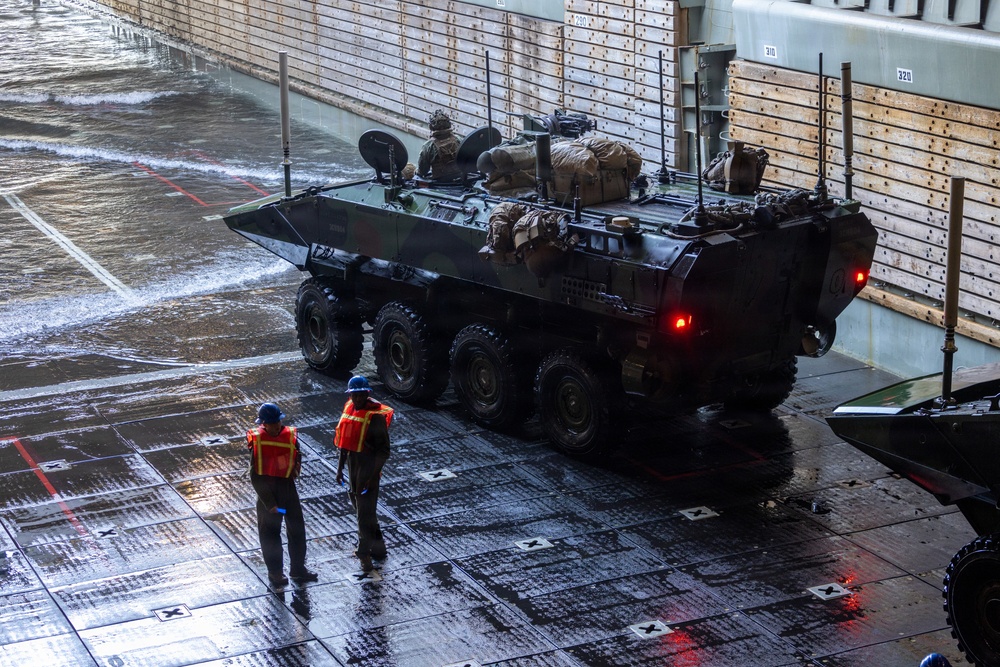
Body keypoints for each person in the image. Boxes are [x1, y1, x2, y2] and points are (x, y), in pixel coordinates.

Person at [247, 402, 318, 587]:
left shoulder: (290, 436)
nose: (276, 426)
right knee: (270, 534)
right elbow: (255, 476)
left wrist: (296, 470)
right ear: (263, 424)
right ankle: (275, 572)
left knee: (297, 530)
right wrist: (270, 503)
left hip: (287, 487)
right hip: (268, 493)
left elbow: (297, 454)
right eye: (271, 423)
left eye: (277, 422)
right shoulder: (258, 441)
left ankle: (297, 569)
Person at [334, 375, 393, 572]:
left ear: (367, 394)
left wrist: (371, 477)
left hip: (367, 469)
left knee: (363, 515)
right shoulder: (349, 408)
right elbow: (343, 443)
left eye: (360, 395)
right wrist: (339, 468)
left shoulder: (375, 418)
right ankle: (378, 548)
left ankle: (364, 554)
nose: (357, 399)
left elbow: (383, 451)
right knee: (363, 510)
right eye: (353, 395)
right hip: (352, 466)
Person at [416, 109, 462, 181]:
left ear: (431, 126)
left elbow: (422, 171)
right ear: (449, 124)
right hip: (460, 180)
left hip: (439, 184)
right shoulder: (458, 140)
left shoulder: (428, 146)